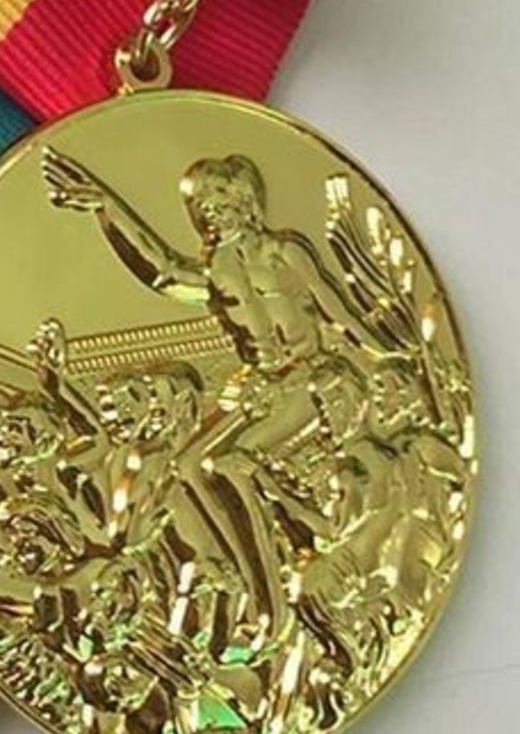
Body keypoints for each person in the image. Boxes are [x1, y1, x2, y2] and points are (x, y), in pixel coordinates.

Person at [42, 148, 382, 644]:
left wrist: (383, 359)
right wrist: (106, 207)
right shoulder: (219, 266)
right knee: (188, 464)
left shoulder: (284, 252)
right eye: (202, 209)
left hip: (316, 378)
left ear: (245, 202)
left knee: (227, 464)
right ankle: (251, 573)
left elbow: (338, 310)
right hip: (265, 387)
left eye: (219, 204)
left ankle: (273, 596)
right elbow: (162, 271)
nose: (210, 216)